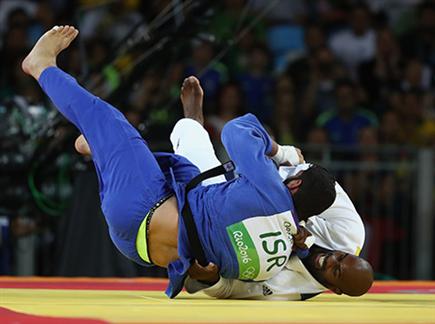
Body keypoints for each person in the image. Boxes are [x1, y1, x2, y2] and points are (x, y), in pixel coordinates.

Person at [22, 26, 337, 298]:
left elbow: (237, 131)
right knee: (194, 182)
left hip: (141, 207)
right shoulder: (278, 258)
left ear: (293, 184)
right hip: (144, 247)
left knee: (108, 119)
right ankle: (107, 148)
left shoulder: (272, 189)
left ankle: (41, 66)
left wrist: (281, 153)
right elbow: (219, 282)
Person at [167, 80, 374, 300]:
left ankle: (192, 123)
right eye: (341, 256)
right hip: (273, 184)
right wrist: (280, 156)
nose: (332, 260)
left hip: (232, 224)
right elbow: (317, 182)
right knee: (277, 174)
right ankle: (248, 148)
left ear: (335, 289)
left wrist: (211, 280)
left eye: (337, 270)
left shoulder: (292, 289)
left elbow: (231, 289)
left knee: (194, 162)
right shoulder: (350, 230)